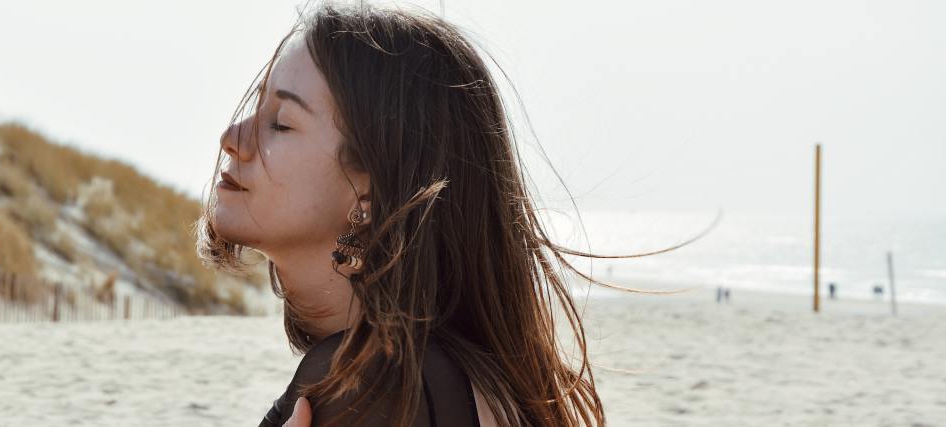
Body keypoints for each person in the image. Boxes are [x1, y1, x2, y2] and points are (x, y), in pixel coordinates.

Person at [194, 3, 648, 426]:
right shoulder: (451, 373)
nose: (232, 136)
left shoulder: (376, 382)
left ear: (370, 191)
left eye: (281, 123)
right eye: (257, 106)